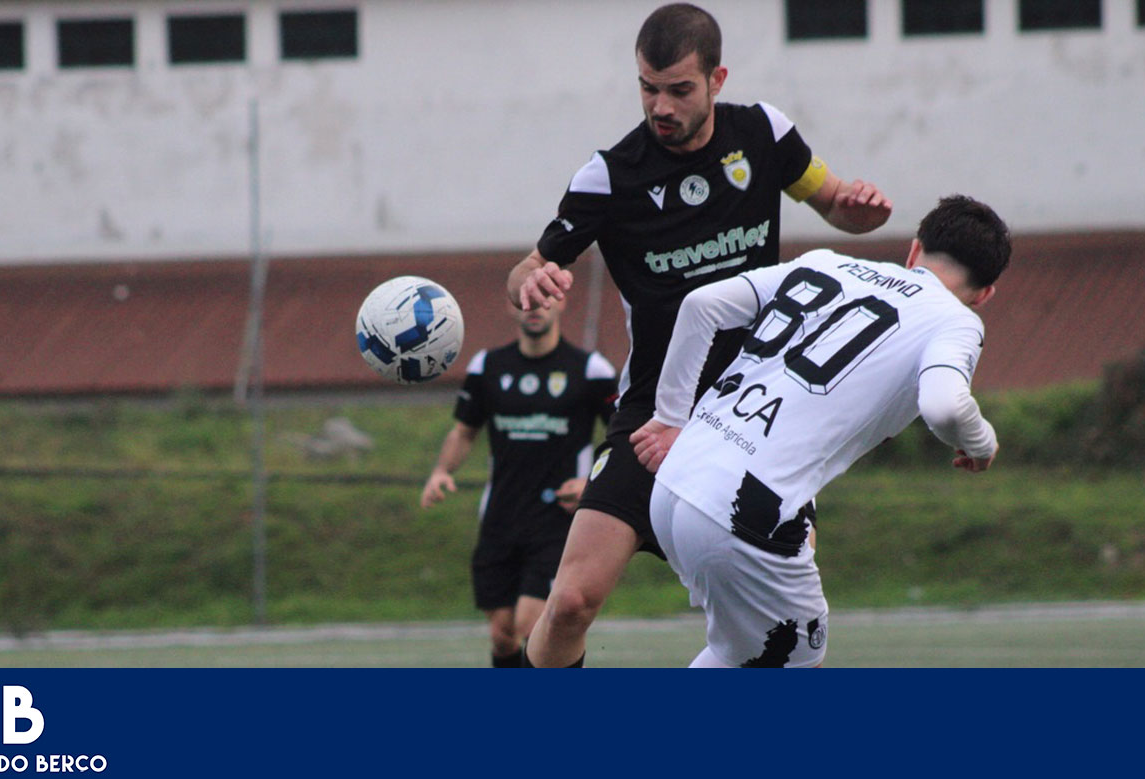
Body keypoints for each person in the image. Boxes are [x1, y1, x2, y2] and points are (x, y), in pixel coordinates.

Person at [508, 3, 892, 667]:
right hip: (657, 412)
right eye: (647, 88)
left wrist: (857, 210)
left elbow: (832, 202)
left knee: (772, 626)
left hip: (759, 417)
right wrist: (531, 281)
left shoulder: (765, 134)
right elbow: (532, 264)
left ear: (717, 79)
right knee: (570, 600)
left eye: (679, 89)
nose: (661, 105)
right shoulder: (609, 176)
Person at [629, 194, 1011, 667]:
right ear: (984, 294)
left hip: (677, 479)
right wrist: (982, 443)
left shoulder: (826, 262)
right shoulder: (956, 320)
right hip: (741, 509)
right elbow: (945, 406)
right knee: (790, 657)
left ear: (914, 250)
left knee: (746, 656)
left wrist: (669, 419)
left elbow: (701, 304)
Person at [421, 297, 616, 667]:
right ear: (511, 307)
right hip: (500, 516)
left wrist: (591, 483)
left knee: (532, 622)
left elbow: (623, 435)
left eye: (544, 299)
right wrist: (441, 471)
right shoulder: (488, 366)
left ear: (561, 303)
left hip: (556, 520)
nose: (534, 308)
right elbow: (464, 431)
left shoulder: (590, 369)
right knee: (502, 634)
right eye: (525, 300)